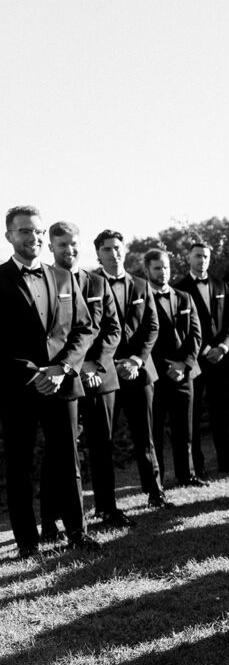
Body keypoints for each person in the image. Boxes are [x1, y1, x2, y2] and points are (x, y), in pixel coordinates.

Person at [0, 205, 98, 557]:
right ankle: (28, 543)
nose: (35, 237)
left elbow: (85, 328)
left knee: (67, 460)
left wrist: (63, 369)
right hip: (19, 388)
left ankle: (77, 533)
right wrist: (35, 373)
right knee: (20, 464)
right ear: (9, 235)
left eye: (38, 231)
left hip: (64, 383)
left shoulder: (63, 277)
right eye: (25, 231)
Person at [40, 221, 127, 536]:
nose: (69, 250)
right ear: (51, 247)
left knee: (103, 445)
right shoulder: (45, 282)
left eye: (73, 244)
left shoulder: (95, 282)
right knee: (60, 452)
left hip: (99, 376)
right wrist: (73, 367)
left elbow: (112, 329)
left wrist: (95, 364)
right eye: (62, 245)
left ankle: (108, 509)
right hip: (63, 379)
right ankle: (50, 521)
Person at [93, 229, 170, 509]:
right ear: (98, 254)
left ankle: (156, 492)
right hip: (106, 373)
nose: (114, 253)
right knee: (104, 440)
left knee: (145, 436)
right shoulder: (90, 285)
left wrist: (137, 360)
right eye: (107, 249)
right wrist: (111, 363)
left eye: (117, 247)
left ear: (124, 250)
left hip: (140, 370)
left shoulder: (141, 284)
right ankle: (105, 505)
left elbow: (152, 326)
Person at [173, 240, 229, 476]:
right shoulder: (179, 288)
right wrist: (204, 351)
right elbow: (181, 329)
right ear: (189, 258)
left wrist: (223, 347)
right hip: (196, 361)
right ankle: (198, 467)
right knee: (192, 416)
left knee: (221, 413)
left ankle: (226, 461)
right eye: (197, 256)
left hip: (221, 359)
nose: (202, 260)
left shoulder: (220, 284)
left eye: (205, 256)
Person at [144, 249, 205, 489]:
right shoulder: (142, 297)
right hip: (156, 376)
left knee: (185, 429)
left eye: (166, 267)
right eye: (158, 268)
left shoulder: (184, 297)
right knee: (155, 431)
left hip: (184, 374)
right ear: (147, 270)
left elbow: (196, 335)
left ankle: (187, 475)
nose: (163, 272)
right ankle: (156, 482)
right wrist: (164, 368)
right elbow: (143, 338)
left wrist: (184, 364)